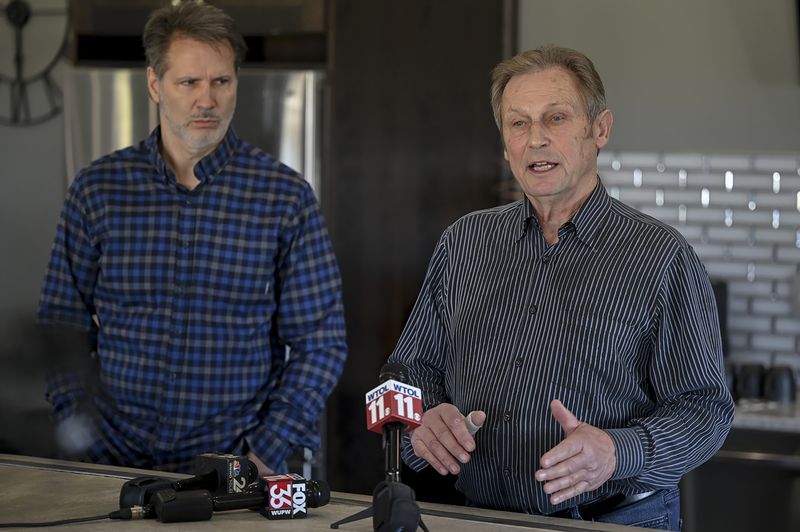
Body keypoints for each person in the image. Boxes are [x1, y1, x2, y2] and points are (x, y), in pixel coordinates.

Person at [387, 45, 733, 530]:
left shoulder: (661, 256)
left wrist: (616, 451)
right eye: (519, 123)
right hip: (474, 517)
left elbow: (706, 409)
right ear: (505, 143)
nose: (536, 140)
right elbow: (409, 366)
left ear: (600, 129)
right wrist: (422, 416)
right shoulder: (463, 242)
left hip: (613, 520)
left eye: (556, 118)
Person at [37, 0, 347, 475]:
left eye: (221, 81)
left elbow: (320, 344)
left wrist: (263, 450)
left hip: (235, 462)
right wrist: (83, 433)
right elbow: (61, 328)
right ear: (155, 84)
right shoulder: (98, 189)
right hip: (112, 460)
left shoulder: (284, 198)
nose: (208, 99)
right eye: (189, 83)